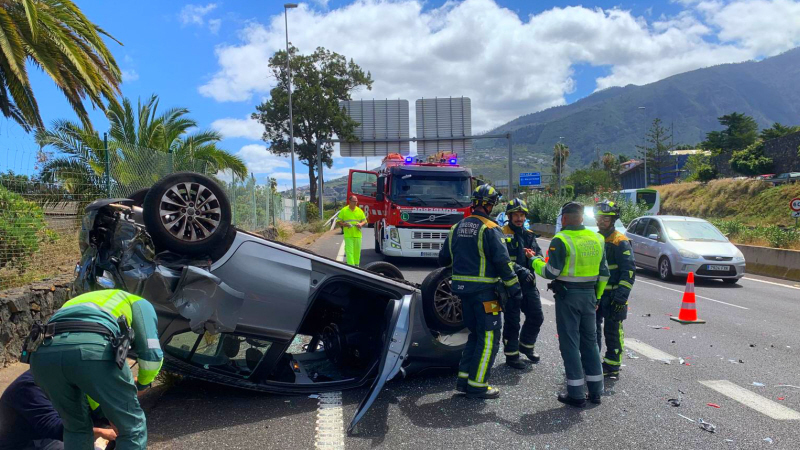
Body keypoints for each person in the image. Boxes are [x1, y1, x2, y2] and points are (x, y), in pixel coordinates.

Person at [29, 289, 164, 449]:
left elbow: (88, 381)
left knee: (75, 428)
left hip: (43, 356)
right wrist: (141, 385)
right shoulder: (140, 303)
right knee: (132, 427)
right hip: (93, 349)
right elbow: (152, 357)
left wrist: (108, 409)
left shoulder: (77, 302)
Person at [439, 184, 522, 399]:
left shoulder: (456, 228)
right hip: (486, 293)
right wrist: (514, 287)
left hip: (462, 293)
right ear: (490, 205)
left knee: (475, 335)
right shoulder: (490, 228)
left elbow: (443, 259)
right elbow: (503, 262)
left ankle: (464, 380)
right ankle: (478, 385)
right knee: (489, 338)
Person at [531, 202, 609, 407]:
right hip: (590, 296)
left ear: (564, 218)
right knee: (590, 343)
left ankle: (576, 394)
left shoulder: (561, 239)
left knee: (570, 343)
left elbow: (551, 272)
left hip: (568, 297)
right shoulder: (597, 238)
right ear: (582, 218)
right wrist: (597, 297)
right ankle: (596, 392)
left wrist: (534, 261)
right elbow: (604, 274)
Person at [0, 370, 117, 450]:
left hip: (46, 438)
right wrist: (101, 432)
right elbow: (54, 428)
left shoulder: (64, 378)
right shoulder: (29, 387)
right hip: (27, 444)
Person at [500, 199, 545, 370]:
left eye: (522, 215)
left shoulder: (530, 235)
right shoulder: (501, 233)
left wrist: (534, 256)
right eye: (516, 215)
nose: (519, 218)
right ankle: (511, 356)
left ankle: (526, 345)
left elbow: (540, 257)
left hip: (528, 285)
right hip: (510, 284)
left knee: (536, 316)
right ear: (509, 216)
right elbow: (501, 260)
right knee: (512, 321)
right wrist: (521, 270)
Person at [594, 200, 635, 378]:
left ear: (613, 220)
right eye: (599, 217)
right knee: (592, 329)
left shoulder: (621, 242)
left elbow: (629, 271)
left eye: (606, 218)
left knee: (612, 331)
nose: (602, 221)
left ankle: (612, 364)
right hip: (596, 294)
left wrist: (621, 297)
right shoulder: (595, 239)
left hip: (613, 295)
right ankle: (593, 360)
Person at [337, 195, 368, 266]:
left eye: (356, 201)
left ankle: (356, 266)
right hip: (348, 235)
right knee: (349, 252)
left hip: (357, 235)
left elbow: (365, 221)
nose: (355, 203)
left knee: (357, 252)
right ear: (349, 201)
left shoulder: (359, 210)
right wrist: (345, 224)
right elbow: (338, 221)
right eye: (354, 201)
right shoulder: (344, 210)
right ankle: (351, 267)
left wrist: (360, 224)